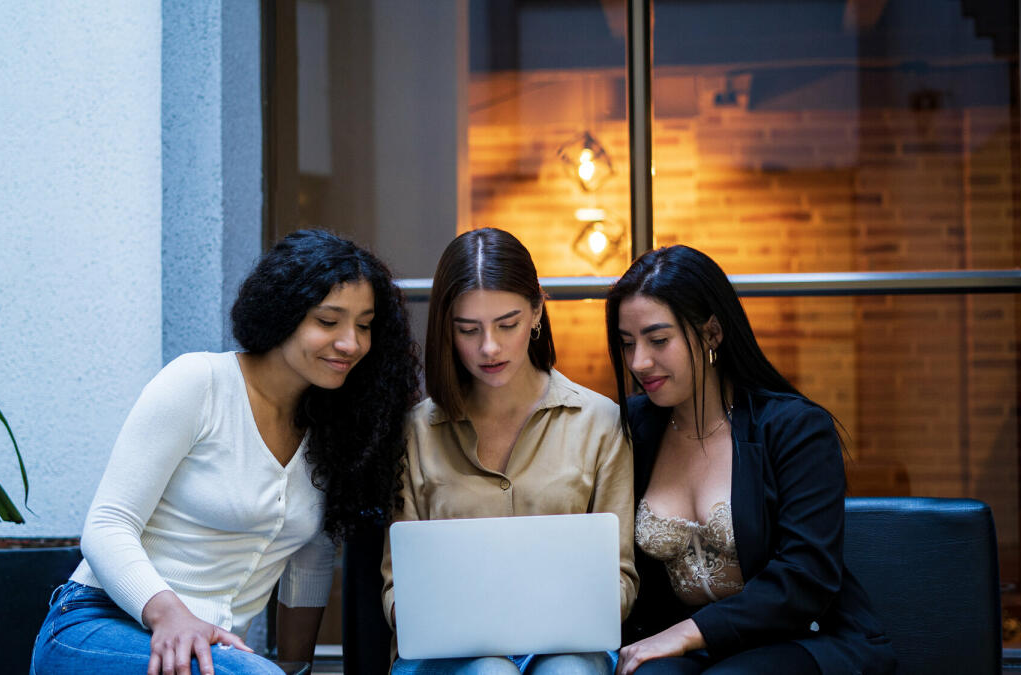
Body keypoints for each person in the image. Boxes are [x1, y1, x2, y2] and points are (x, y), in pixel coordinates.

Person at [30, 230, 421, 675]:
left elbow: (308, 562)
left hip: (215, 654)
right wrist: (171, 615)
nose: (351, 343)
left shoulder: (333, 428)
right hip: (98, 624)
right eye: (328, 322)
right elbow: (105, 525)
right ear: (282, 313)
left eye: (364, 325)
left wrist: (296, 668)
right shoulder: (199, 382)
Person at [606, 245, 896, 675]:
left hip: (802, 638)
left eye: (658, 339)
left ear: (712, 333)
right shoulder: (634, 428)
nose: (638, 362)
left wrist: (687, 632)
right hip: (683, 645)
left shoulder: (795, 428)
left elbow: (805, 577)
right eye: (627, 343)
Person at [381, 227, 638, 675]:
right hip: (448, 655)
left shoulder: (599, 422)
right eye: (468, 329)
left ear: (538, 309)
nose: (489, 347)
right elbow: (397, 591)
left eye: (508, 323)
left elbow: (620, 580)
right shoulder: (416, 432)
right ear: (447, 326)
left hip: (567, 648)